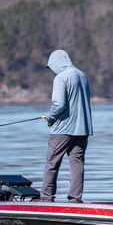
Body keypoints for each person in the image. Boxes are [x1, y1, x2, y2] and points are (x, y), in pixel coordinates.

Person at [40, 49, 93, 202]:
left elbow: (59, 105)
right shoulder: (82, 75)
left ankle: (46, 198)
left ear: (57, 63)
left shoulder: (61, 78)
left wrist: (50, 117)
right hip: (83, 129)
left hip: (63, 130)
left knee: (52, 163)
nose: (52, 70)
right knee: (77, 165)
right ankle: (75, 200)